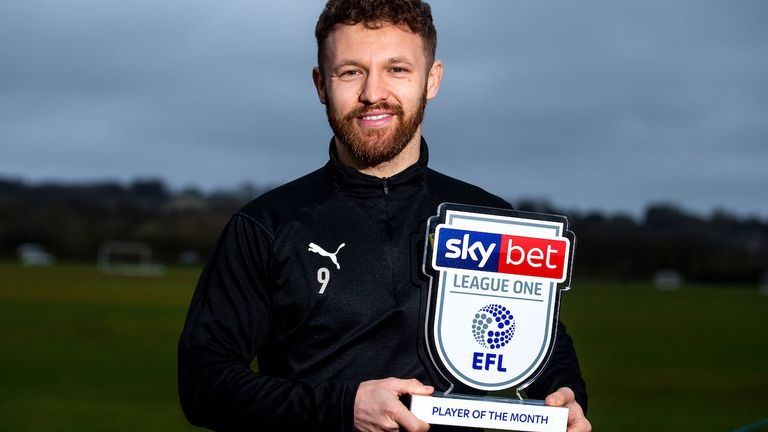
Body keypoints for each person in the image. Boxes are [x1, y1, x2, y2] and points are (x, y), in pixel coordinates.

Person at [178, 0, 591, 431]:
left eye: (397, 69)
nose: (373, 93)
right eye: (351, 71)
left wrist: (565, 398)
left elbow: (541, 347)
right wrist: (340, 408)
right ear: (321, 84)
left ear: (431, 80)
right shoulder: (266, 227)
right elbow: (203, 383)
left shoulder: (491, 221)